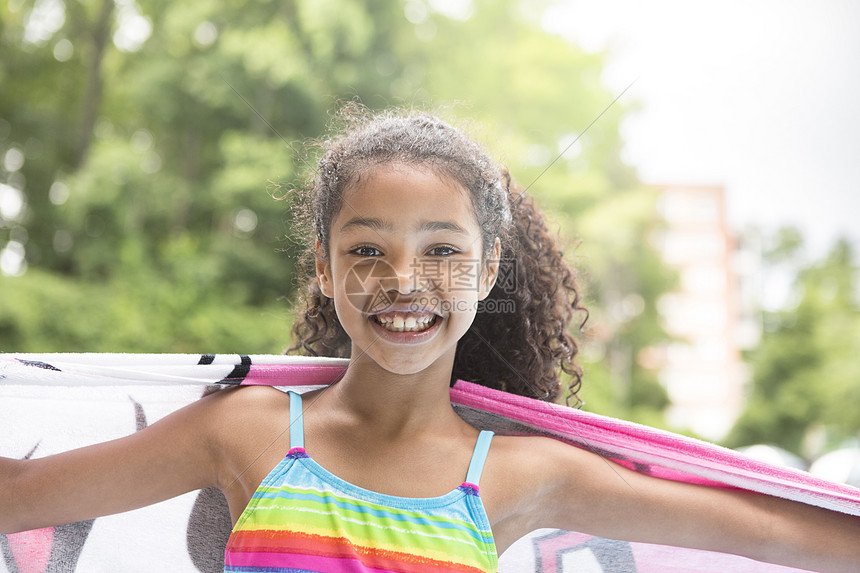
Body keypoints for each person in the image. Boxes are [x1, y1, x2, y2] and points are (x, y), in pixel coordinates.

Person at [1, 106, 858, 572]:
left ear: (487, 273)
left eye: (443, 251)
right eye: (367, 248)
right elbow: (22, 493)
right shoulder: (248, 431)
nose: (404, 280)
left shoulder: (526, 472)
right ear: (325, 270)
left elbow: (773, 533)